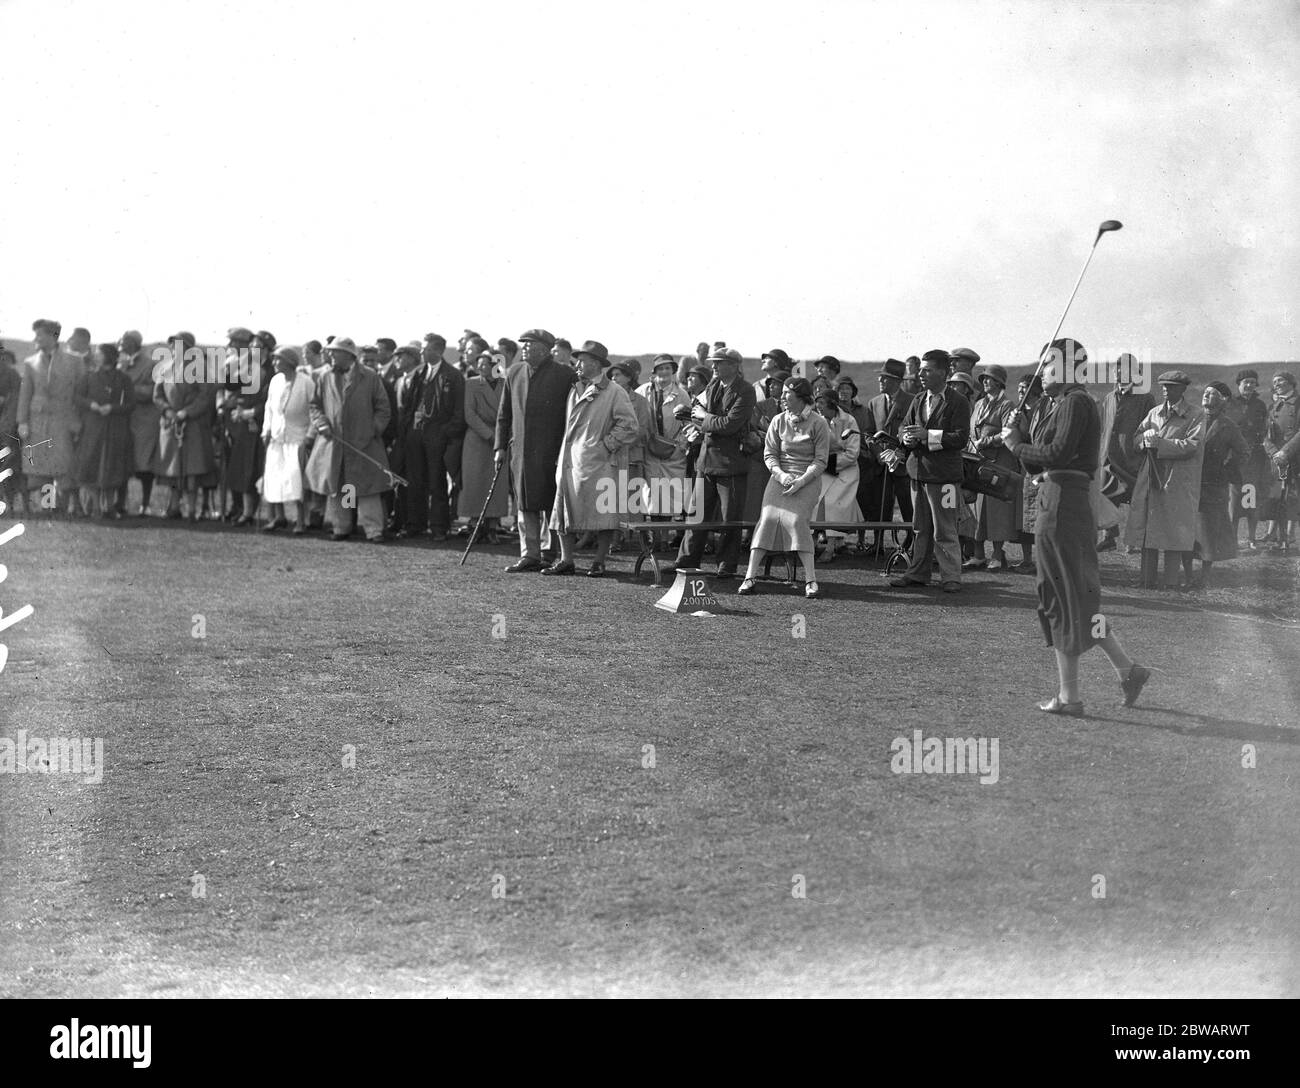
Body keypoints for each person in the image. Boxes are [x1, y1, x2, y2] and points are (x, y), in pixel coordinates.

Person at [1003, 338, 1150, 716]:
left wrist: (1018, 445)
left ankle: (1070, 698)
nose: (1041, 374)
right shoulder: (1063, 405)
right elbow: (1042, 464)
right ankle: (1127, 670)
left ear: (1068, 368)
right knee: (1074, 598)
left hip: (1065, 504)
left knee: (1063, 596)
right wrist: (1019, 438)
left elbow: (1056, 455)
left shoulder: (1075, 402)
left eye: (1047, 367)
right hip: (1059, 499)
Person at [546, 341, 639, 577]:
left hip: (599, 462)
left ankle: (599, 560)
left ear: (596, 364)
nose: (577, 364)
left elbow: (629, 426)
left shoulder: (614, 391)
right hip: (570, 460)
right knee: (563, 508)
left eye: (582, 360)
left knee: (603, 513)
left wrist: (604, 446)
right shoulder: (575, 388)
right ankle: (566, 560)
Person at [668, 347, 757, 579]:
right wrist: (692, 416)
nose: (714, 366)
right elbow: (708, 421)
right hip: (706, 462)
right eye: (713, 362)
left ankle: (726, 567)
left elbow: (730, 425)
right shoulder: (713, 386)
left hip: (732, 465)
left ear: (735, 366)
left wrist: (702, 418)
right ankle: (686, 562)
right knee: (695, 515)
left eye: (719, 362)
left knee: (730, 519)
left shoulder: (746, 391)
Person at [888, 348, 970, 593]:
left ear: (943, 373)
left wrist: (926, 435)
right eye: (921, 370)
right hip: (918, 475)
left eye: (927, 370)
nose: (921, 374)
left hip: (945, 478)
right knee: (920, 527)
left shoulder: (958, 402)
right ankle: (918, 573)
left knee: (945, 528)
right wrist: (907, 438)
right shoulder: (918, 399)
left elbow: (961, 438)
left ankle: (951, 576)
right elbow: (904, 427)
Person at [739, 377, 830, 598]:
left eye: (787, 394)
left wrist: (801, 481)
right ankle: (750, 577)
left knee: (797, 521)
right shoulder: (778, 420)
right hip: (779, 478)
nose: (782, 398)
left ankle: (810, 580)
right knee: (767, 518)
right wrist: (781, 476)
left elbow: (820, 461)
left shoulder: (819, 423)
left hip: (807, 480)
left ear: (801, 397)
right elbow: (770, 454)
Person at [495, 329, 577, 571]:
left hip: (551, 451)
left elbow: (572, 416)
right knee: (524, 503)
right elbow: (504, 414)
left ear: (544, 348)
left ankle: (549, 553)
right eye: (524, 345)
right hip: (520, 451)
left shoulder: (565, 374)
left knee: (550, 502)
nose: (525, 349)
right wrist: (500, 446)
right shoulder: (515, 372)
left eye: (530, 345)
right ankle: (529, 554)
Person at [305, 337, 392, 542]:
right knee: (343, 486)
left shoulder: (370, 377)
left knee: (368, 490)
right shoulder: (324, 377)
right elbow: (315, 406)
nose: (331, 355)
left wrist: (372, 430)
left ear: (349, 355)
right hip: (335, 445)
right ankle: (342, 527)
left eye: (335, 352)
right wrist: (322, 424)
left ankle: (374, 530)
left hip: (365, 444)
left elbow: (383, 409)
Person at [1125, 370, 1205, 589]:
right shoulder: (1154, 413)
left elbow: (1193, 445)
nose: (1165, 390)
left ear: (1182, 389)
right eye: (1163, 386)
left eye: (1170, 386)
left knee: (1173, 531)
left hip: (1176, 481)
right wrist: (1143, 440)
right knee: (1148, 530)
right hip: (1152, 478)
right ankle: (1147, 580)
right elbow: (1136, 439)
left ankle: (1170, 581)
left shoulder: (1196, 414)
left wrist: (1159, 443)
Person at [404, 333, 465, 543]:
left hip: (438, 437)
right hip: (416, 435)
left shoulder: (453, 376)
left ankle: (439, 527)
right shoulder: (419, 373)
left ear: (438, 351)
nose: (421, 352)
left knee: (437, 482)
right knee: (415, 481)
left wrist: (446, 433)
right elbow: (409, 404)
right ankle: (416, 524)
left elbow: (459, 411)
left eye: (426, 349)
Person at [18, 318, 82, 516]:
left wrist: (76, 421)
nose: (36, 338)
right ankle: (49, 506)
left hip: (63, 420)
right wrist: (22, 421)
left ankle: (73, 505)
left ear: (53, 336)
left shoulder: (74, 361)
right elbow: (25, 394)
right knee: (42, 467)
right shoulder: (30, 363)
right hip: (38, 421)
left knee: (65, 464)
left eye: (40, 334)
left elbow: (80, 393)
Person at [1189, 381, 1248, 586]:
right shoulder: (1192, 419)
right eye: (1205, 392)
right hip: (1189, 482)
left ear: (1223, 400)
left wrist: (1226, 471)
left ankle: (1204, 577)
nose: (1206, 396)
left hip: (1213, 485)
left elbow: (1244, 453)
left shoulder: (1228, 426)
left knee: (1208, 532)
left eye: (1212, 393)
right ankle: (1188, 574)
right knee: (1188, 529)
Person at [153, 331, 216, 520]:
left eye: (179, 345)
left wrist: (186, 412)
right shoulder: (165, 368)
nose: (174, 348)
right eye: (172, 345)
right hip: (171, 424)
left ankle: (191, 510)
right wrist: (168, 411)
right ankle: (173, 507)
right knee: (173, 469)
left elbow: (205, 396)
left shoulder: (200, 368)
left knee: (192, 469)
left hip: (193, 424)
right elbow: (157, 395)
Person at [967, 364, 1021, 571]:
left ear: (999, 382)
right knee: (976, 508)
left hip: (999, 462)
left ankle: (997, 555)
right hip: (978, 462)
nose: (985, 382)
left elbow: (1008, 432)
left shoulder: (1008, 405)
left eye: (989, 379)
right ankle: (978, 555)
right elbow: (973, 430)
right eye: (984, 379)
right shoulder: (979, 403)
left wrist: (987, 441)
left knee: (997, 510)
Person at [1097, 361, 1155, 550]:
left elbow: (1150, 427)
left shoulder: (1145, 398)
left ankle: (1135, 541)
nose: (1120, 376)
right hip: (1109, 457)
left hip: (1133, 458)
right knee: (1107, 495)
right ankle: (1109, 537)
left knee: (1137, 500)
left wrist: (1141, 449)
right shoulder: (1109, 398)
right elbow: (1105, 427)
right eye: (1117, 372)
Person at [219, 328, 273, 525]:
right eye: (252, 345)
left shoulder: (271, 369)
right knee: (241, 467)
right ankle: (243, 510)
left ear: (266, 350)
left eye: (257, 346)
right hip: (241, 421)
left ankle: (251, 512)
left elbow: (268, 397)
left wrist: (252, 412)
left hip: (260, 423)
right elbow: (230, 386)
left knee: (254, 468)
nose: (253, 348)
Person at [637, 354, 691, 551]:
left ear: (673, 371)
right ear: (654, 372)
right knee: (651, 493)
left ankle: (664, 538)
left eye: (668, 369)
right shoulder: (643, 391)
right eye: (660, 369)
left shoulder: (682, 394)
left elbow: (688, 422)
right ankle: (652, 538)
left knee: (669, 495)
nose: (664, 372)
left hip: (673, 452)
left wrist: (680, 445)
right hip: (650, 449)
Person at [73, 343, 134, 517]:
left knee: (112, 467)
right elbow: (77, 398)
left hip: (115, 429)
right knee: (90, 465)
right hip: (92, 428)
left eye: (99, 353)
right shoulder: (88, 376)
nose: (96, 356)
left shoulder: (123, 379)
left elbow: (131, 404)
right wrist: (91, 404)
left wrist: (113, 408)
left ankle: (109, 506)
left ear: (109, 356)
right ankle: (95, 507)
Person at [862, 358, 915, 554]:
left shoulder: (911, 400)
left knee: (907, 506)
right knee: (880, 506)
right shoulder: (874, 402)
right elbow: (868, 433)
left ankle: (912, 544)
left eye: (884, 378)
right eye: (880, 377)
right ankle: (878, 543)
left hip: (903, 463)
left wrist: (901, 452)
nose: (880, 381)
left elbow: (913, 430)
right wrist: (879, 455)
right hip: (881, 464)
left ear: (896, 381)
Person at [460, 346, 509, 543]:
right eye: (478, 364)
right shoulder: (471, 384)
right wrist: (490, 435)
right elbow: (470, 414)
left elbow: (508, 413)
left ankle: (492, 526)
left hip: (500, 439)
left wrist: (500, 437)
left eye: (485, 364)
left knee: (496, 484)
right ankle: (474, 524)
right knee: (475, 483)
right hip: (478, 440)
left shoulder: (506, 385)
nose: (480, 367)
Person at [260, 345, 310, 533]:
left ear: (289, 362)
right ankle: (279, 517)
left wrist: (309, 436)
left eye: (277, 359)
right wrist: (266, 430)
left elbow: (313, 409)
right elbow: (269, 409)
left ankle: (300, 521)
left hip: (297, 437)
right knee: (275, 478)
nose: (274, 363)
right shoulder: (275, 381)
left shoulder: (306, 382)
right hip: (277, 437)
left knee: (295, 480)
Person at [812, 387, 862, 562]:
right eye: (816, 403)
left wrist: (830, 463)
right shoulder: (816, 420)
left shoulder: (849, 421)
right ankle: (809, 544)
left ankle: (831, 547)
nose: (818, 407)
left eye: (822, 404)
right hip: (823, 468)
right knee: (815, 502)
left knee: (834, 504)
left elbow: (852, 453)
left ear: (832, 404)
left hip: (845, 470)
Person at [1011, 373, 1054, 573]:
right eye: (1019, 387)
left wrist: (1023, 427)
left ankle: (1042, 561)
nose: (1020, 391)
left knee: (1040, 516)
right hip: (1025, 467)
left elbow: (1034, 437)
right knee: (1025, 516)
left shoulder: (1043, 408)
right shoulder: (1018, 410)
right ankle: (1027, 559)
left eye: (1024, 387)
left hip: (1039, 466)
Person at [115, 331, 161, 516]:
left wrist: (128, 388)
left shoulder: (150, 364)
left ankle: (145, 503)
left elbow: (152, 391)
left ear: (134, 343)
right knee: (122, 464)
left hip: (144, 421)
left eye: (124, 341)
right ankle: (120, 503)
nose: (120, 344)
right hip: (123, 420)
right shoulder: (119, 364)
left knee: (144, 465)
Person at [1226, 368, 1269, 549]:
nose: (1249, 385)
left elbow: (1265, 430)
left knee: (1252, 500)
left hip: (1254, 461)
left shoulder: (1260, 405)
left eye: (1253, 382)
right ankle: (1232, 539)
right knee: (1234, 502)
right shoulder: (1229, 404)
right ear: (1239, 384)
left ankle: (1251, 538)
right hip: (1235, 460)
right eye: (1246, 382)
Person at [742, 372, 789, 524]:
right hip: (761, 459)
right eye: (770, 384)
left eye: (776, 383)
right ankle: (750, 535)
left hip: (786, 461)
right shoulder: (761, 405)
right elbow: (752, 429)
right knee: (756, 499)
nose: (771, 386)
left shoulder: (793, 408)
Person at [1262, 371, 1300, 552]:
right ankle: (1280, 538)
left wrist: (1286, 451)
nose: (1276, 384)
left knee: (1292, 500)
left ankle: (1288, 539)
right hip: (1277, 461)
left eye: (1281, 380)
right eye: (1274, 381)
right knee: (1277, 499)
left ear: (1291, 383)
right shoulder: (1273, 406)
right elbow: (1266, 436)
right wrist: (1274, 453)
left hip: (1295, 459)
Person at [0, 348, 24, 516]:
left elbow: (15, 401)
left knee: (9, 467)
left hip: (6, 428)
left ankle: (10, 504)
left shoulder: (12, 375)